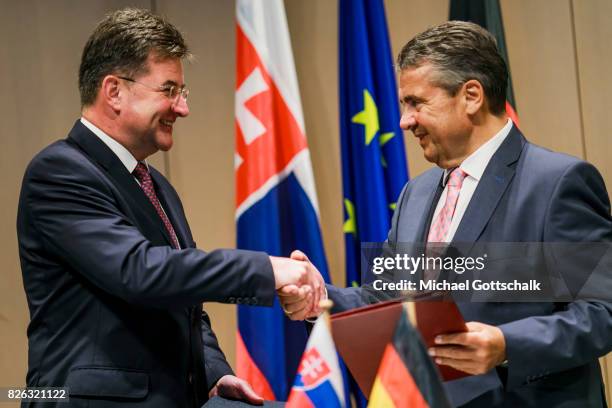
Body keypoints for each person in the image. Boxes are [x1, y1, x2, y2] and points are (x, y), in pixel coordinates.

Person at [280, 21, 612, 407]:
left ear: (471, 95)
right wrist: (320, 298)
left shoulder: (558, 183)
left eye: (416, 103)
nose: (404, 121)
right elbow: (388, 298)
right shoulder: (415, 194)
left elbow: (601, 311)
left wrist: (507, 345)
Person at [17, 8, 323, 408]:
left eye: (182, 93)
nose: (182, 108)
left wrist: (214, 374)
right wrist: (267, 269)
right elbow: (140, 271)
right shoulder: (58, 172)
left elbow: (185, 300)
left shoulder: (154, 184)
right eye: (169, 90)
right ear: (114, 91)